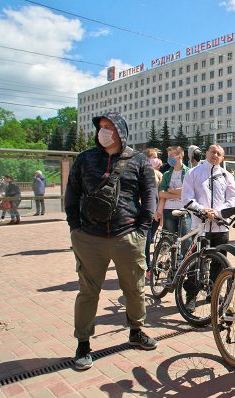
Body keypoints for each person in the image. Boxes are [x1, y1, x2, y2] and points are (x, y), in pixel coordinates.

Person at [65, 111, 157, 371]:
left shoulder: (138, 160)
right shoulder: (85, 159)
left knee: (135, 288)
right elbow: (72, 191)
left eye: (108, 127)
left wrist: (143, 227)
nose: (102, 131)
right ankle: (83, 343)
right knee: (87, 292)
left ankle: (136, 331)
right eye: (100, 127)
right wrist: (74, 227)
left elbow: (149, 193)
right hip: (89, 238)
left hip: (127, 235)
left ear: (120, 131)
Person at [181, 144, 235, 310]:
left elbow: (233, 200)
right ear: (206, 153)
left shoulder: (227, 176)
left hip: (221, 227)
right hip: (201, 226)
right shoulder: (194, 173)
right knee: (196, 263)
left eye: (219, 153)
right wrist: (203, 210)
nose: (216, 155)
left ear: (223, 158)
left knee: (219, 263)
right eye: (213, 152)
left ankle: (213, 293)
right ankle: (190, 296)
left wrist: (217, 212)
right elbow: (187, 198)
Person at [157, 146, 190, 255]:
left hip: (184, 211)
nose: (169, 159)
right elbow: (161, 193)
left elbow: (187, 191)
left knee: (186, 241)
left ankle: (185, 265)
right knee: (169, 242)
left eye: (171, 156)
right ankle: (172, 265)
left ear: (179, 156)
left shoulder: (189, 173)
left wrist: (170, 190)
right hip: (168, 210)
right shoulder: (167, 174)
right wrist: (159, 211)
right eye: (168, 156)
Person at [143, 148, 164, 278]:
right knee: (145, 241)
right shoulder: (142, 173)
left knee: (150, 239)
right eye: (153, 157)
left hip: (156, 212)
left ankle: (148, 266)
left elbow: (161, 195)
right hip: (145, 212)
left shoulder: (159, 174)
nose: (156, 159)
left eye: (157, 157)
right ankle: (148, 268)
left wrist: (159, 211)